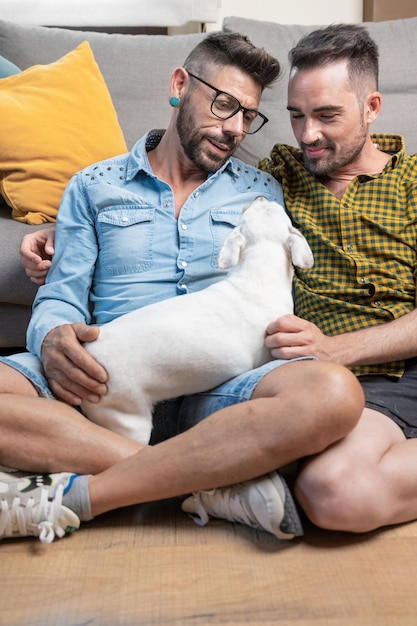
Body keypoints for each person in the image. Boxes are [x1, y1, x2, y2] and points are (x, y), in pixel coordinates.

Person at [0, 31, 362, 543]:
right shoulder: (94, 184)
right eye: (223, 105)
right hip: (103, 377)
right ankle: (207, 483)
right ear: (179, 85)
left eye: (248, 116)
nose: (235, 127)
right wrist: (54, 334)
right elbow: (61, 291)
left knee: (334, 394)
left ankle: (103, 475)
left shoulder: (262, 190)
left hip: (218, 390)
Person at [256, 23, 417, 533]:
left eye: (327, 116)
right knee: (334, 493)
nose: (308, 135)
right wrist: (68, 228)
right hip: (362, 389)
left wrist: (334, 348)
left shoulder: (413, 184)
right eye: (296, 116)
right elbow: (179, 185)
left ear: (371, 108)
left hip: (391, 360)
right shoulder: (278, 176)